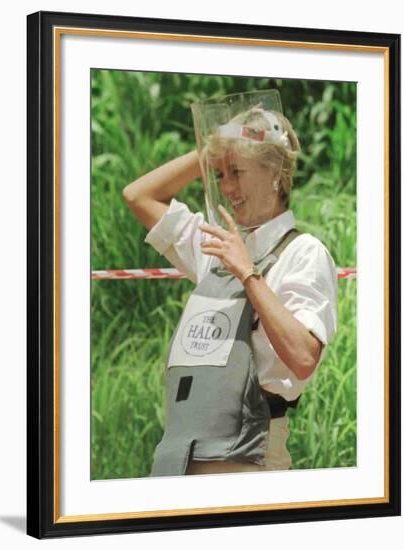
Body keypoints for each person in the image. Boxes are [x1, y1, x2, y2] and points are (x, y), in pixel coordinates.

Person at [122, 91, 338, 476]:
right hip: (181, 456)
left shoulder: (305, 253)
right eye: (219, 175)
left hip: (249, 460)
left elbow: (304, 358)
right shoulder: (218, 247)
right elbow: (139, 196)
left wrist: (248, 275)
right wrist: (212, 149)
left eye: (236, 172)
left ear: (274, 174)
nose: (226, 187)